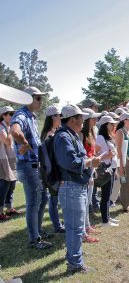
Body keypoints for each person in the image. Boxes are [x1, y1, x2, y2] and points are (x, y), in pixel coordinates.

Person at [54, 104, 101, 273]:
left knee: (77, 227)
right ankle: (75, 264)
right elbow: (70, 163)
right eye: (81, 118)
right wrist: (90, 162)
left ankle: (75, 256)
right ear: (72, 119)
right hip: (71, 187)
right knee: (74, 228)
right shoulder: (64, 137)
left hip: (75, 186)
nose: (84, 121)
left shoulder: (70, 135)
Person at [10, 86, 53, 249]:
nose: (40, 101)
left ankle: (38, 231)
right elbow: (14, 130)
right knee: (34, 203)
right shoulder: (21, 115)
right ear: (28, 98)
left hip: (35, 166)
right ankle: (34, 239)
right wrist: (24, 143)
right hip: (28, 166)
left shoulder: (32, 117)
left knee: (43, 199)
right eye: (38, 98)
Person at [40, 105, 64, 233]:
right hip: (52, 172)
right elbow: (51, 158)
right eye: (58, 115)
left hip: (55, 171)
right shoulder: (49, 134)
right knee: (53, 199)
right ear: (51, 117)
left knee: (54, 199)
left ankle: (58, 224)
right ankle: (57, 226)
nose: (60, 117)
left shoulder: (54, 132)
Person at [80, 108, 102, 242]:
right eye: (93, 118)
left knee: (88, 200)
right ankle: (83, 230)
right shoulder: (82, 135)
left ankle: (87, 226)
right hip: (86, 169)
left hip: (91, 168)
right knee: (84, 202)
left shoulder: (91, 132)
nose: (96, 120)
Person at [96, 115, 119, 227]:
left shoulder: (109, 136)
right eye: (111, 124)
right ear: (105, 125)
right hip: (105, 168)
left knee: (108, 194)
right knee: (105, 195)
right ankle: (105, 220)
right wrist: (107, 156)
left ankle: (108, 217)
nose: (114, 125)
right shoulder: (100, 137)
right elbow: (96, 155)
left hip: (112, 167)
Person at [115, 112, 129, 212]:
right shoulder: (120, 132)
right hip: (124, 161)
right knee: (125, 183)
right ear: (124, 121)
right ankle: (125, 205)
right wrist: (121, 167)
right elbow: (119, 150)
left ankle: (128, 202)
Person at [0, 106, 19, 221]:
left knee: (12, 184)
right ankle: (1, 211)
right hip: (3, 160)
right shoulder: (1, 127)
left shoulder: (7, 126)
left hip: (10, 158)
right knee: (4, 185)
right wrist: (11, 131)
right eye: (11, 114)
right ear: (3, 115)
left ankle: (9, 208)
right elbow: (7, 141)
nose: (13, 116)